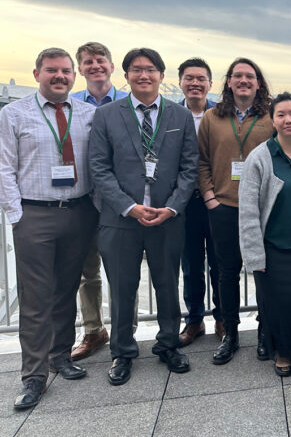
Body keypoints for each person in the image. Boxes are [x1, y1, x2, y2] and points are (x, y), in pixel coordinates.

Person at [0, 48, 98, 409]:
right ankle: (33, 376)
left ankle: (61, 356)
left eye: (66, 71)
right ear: (37, 72)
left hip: (79, 211)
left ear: (74, 76)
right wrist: (16, 215)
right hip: (35, 214)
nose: (60, 76)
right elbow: (2, 168)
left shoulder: (88, 114)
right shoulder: (13, 114)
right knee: (36, 297)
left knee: (66, 288)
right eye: (52, 70)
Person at [89, 47, 198, 385]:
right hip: (121, 219)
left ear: (162, 76)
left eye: (150, 69)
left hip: (167, 217)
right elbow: (99, 168)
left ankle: (168, 344)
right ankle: (122, 352)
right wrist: (128, 206)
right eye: (136, 70)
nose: (144, 75)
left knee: (167, 284)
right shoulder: (107, 115)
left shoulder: (179, 116)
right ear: (127, 76)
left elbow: (190, 167)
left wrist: (172, 207)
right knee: (122, 288)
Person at [239, 92, 291, 377]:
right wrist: (253, 255)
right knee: (276, 303)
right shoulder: (260, 157)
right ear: (273, 120)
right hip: (273, 245)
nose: (288, 120)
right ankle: (283, 352)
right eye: (281, 115)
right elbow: (248, 211)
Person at [198, 57, 273, 364]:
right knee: (226, 273)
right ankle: (230, 332)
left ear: (258, 82)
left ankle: (266, 331)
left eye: (250, 76)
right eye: (237, 76)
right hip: (225, 207)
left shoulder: (271, 117)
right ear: (228, 81)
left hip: (262, 209)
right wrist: (209, 198)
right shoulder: (212, 117)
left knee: (265, 272)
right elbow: (201, 161)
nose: (244, 80)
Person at [69, 42, 129, 361]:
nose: (95, 66)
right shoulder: (71, 104)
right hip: (82, 198)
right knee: (86, 270)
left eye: (100, 60)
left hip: (117, 199)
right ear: (80, 69)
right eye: (88, 62)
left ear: (111, 66)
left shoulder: (129, 103)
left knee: (121, 268)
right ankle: (93, 330)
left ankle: (125, 331)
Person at [177, 58, 221, 345]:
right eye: (189, 78)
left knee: (220, 262)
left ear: (210, 83)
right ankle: (194, 320)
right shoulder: (169, 114)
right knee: (191, 264)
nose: (195, 83)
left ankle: (222, 318)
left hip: (217, 199)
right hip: (183, 202)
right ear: (180, 81)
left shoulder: (221, 115)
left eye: (201, 78)